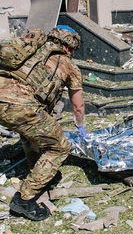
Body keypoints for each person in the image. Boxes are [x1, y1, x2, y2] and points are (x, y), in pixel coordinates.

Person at [0, 25, 86, 221]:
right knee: (60, 147)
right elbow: (78, 106)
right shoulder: (70, 66)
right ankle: (24, 200)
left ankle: (38, 171)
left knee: (29, 132)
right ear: (70, 46)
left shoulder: (32, 48)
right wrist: (80, 126)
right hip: (21, 104)